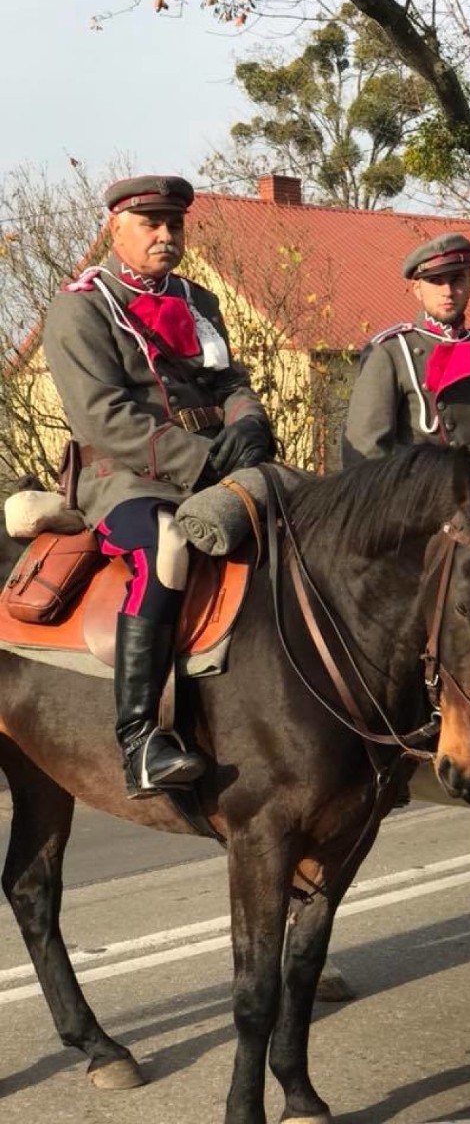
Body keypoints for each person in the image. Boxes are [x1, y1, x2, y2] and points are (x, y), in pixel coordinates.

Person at [43, 175, 274, 798]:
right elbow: (104, 416)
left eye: (174, 224)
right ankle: (141, 739)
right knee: (167, 547)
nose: (166, 235)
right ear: (115, 229)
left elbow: (230, 382)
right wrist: (202, 461)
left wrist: (249, 426)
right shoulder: (82, 306)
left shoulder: (197, 300)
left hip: (214, 463)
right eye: (150, 224)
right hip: (124, 478)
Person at [342, 232, 470, 486]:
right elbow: (367, 450)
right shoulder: (391, 351)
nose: (448, 291)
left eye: (457, 280)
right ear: (417, 289)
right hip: (417, 497)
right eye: (435, 281)